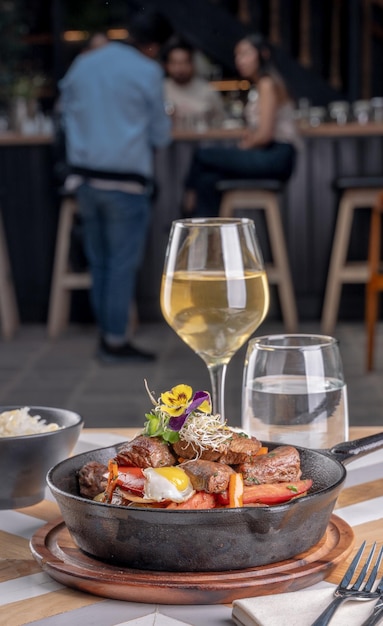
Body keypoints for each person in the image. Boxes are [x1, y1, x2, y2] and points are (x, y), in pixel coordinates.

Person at [59, 12, 172, 363]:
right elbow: (160, 135)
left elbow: (64, 113)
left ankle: (107, 337)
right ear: (153, 45)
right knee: (121, 264)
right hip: (126, 183)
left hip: (85, 180)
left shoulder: (84, 63)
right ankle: (114, 341)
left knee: (100, 263)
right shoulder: (148, 71)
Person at [183, 33, 301, 217]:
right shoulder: (261, 85)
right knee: (207, 180)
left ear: (263, 54)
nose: (240, 60)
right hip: (269, 154)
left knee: (203, 155)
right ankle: (207, 234)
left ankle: (188, 208)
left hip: (277, 156)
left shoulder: (267, 84)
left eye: (245, 54)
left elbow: (265, 135)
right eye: (237, 55)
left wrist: (245, 146)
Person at [162, 38, 225, 128]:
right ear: (167, 65)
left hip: (203, 140)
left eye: (184, 62)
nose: (179, 68)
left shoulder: (207, 91)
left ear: (192, 64)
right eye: (174, 63)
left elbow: (220, 121)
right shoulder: (160, 90)